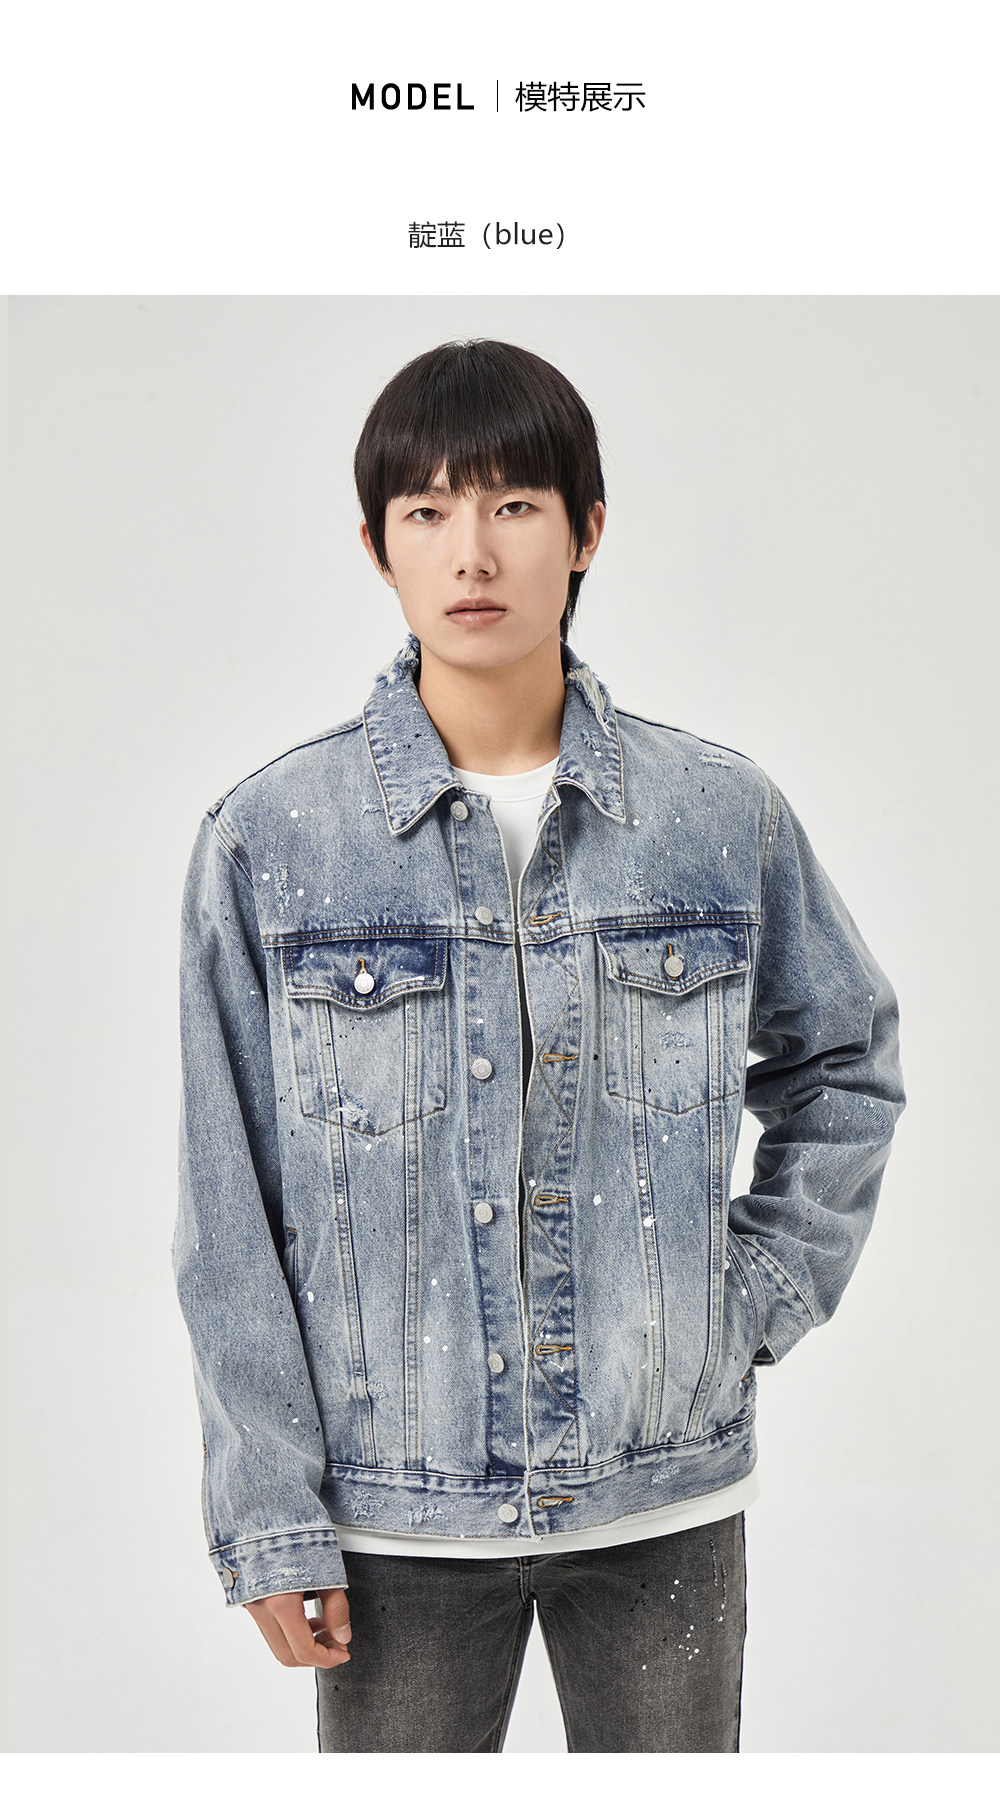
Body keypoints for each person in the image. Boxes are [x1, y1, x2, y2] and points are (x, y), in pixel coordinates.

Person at [173, 338, 905, 1753]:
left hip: (664, 1501)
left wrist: (747, 1294)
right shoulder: (270, 843)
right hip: (394, 1520)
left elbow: (846, 1063)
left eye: (514, 503)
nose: (474, 551)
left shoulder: (719, 816)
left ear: (586, 531)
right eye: (429, 510)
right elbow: (228, 1208)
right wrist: (267, 1509)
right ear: (378, 546)